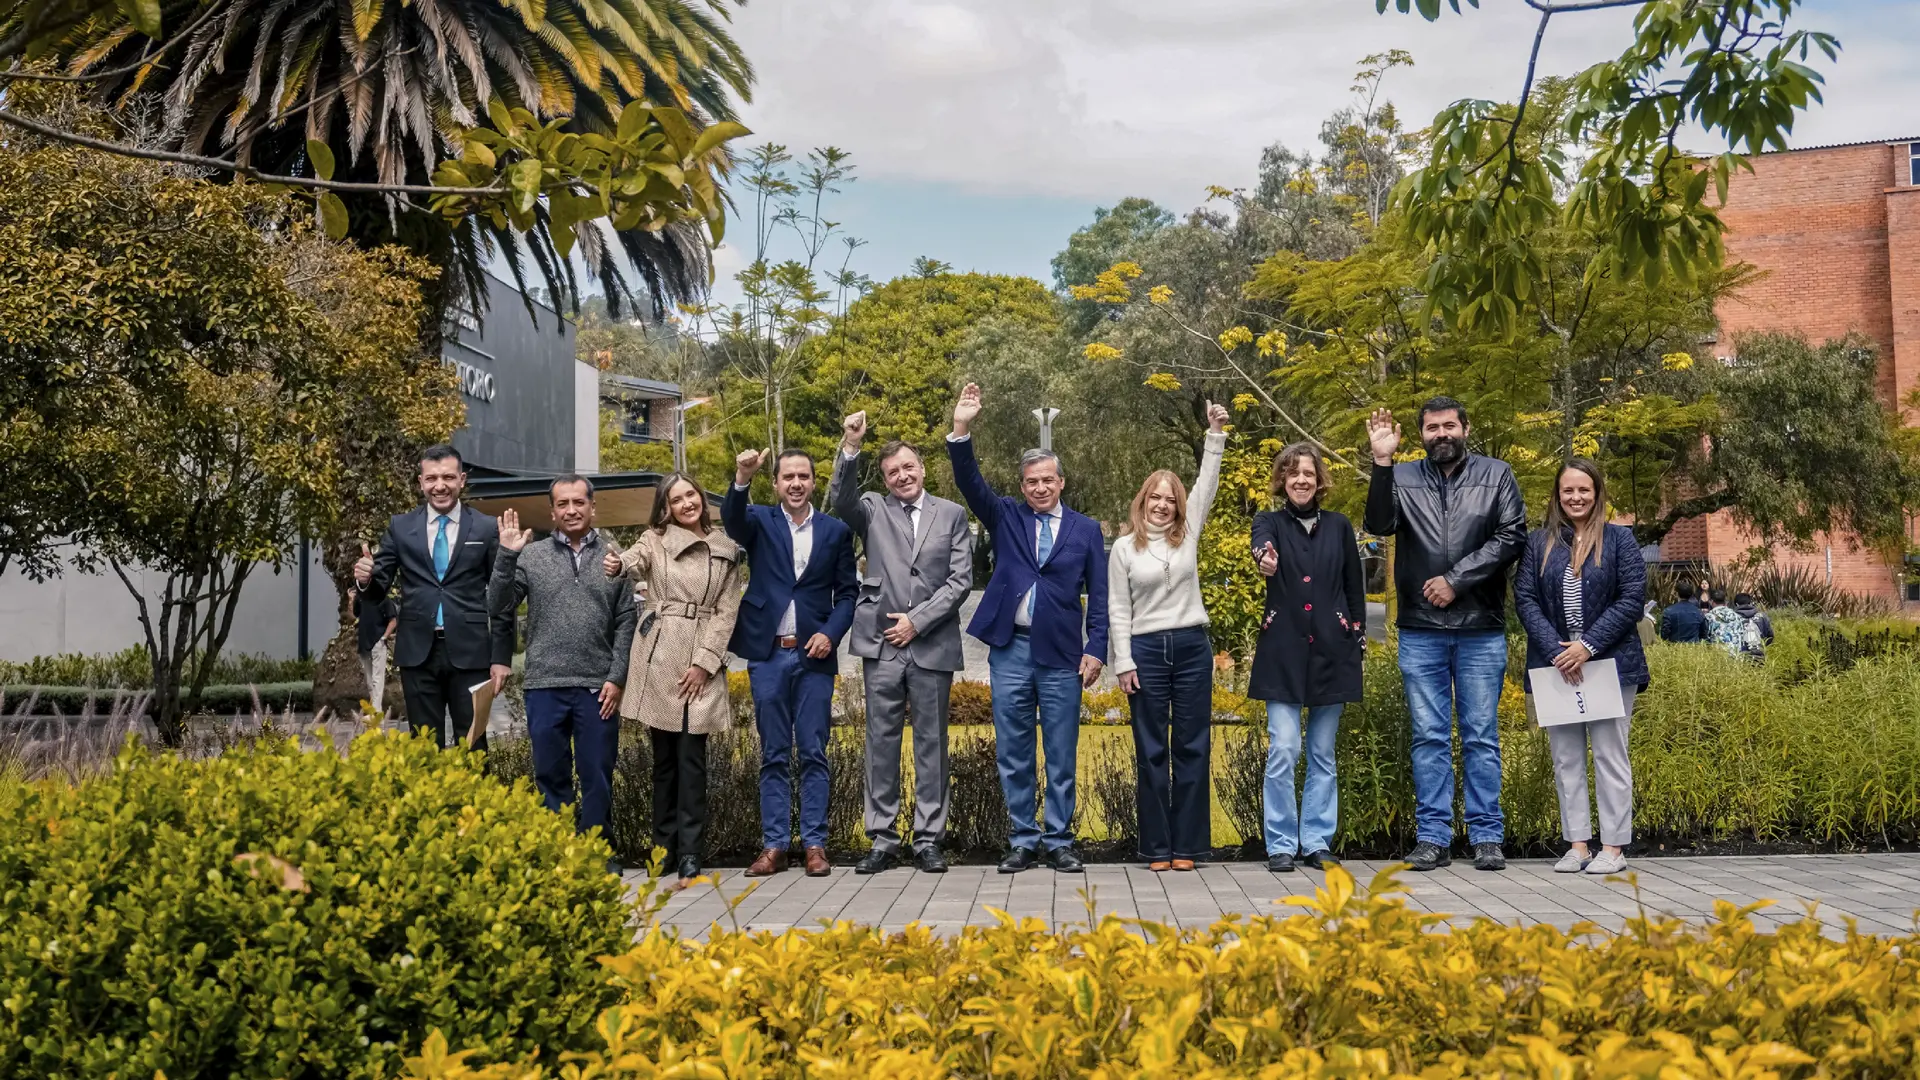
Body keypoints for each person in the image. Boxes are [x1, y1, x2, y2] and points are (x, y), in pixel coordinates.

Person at [947, 382, 1109, 874]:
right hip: (1011, 652)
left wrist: (1096, 647)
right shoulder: (1005, 516)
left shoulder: (1086, 530)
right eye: (1031, 482)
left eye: (1047, 480)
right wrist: (962, 427)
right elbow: (969, 480)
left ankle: (1059, 840)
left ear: (1061, 482)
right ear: (1022, 487)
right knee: (1014, 752)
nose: (1039, 487)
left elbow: (1099, 596)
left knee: (1060, 754)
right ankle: (1022, 838)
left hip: (1062, 654)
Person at [1364, 399, 1527, 872]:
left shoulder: (1497, 474)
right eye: (1432, 427)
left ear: (1465, 427)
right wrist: (1381, 463)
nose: (1441, 433)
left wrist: (1457, 579)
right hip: (1420, 630)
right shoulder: (1403, 476)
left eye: (1449, 425)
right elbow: (1378, 525)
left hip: (1480, 627)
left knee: (1481, 735)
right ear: (1421, 434)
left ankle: (1486, 836)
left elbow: (1512, 535)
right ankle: (1433, 836)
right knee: (1429, 737)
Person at [830, 411, 973, 875]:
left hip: (929, 644)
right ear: (885, 478)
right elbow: (839, 497)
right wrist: (851, 447)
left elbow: (959, 582)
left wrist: (917, 621)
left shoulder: (951, 514)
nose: (901, 476)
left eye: (908, 468)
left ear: (923, 469)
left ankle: (929, 838)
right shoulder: (871, 507)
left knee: (932, 744)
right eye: (892, 472)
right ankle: (883, 839)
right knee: (880, 743)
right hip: (882, 646)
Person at [723, 447, 858, 879]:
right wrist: (742, 476)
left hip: (814, 656)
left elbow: (848, 594)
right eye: (788, 477)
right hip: (767, 655)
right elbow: (732, 519)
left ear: (813, 482)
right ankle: (775, 845)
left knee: (815, 752)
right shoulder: (760, 521)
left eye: (803, 476)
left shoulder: (836, 531)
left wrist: (830, 633)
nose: (796, 483)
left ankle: (815, 844)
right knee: (774, 753)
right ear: (776, 483)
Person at [604, 473, 743, 888]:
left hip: (701, 655)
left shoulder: (726, 549)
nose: (686, 503)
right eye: (677, 498)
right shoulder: (655, 538)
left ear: (702, 498)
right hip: (659, 651)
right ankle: (660, 852)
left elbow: (726, 612)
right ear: (666, 507)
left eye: (691, 495)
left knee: (690, 759)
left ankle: (689, 854)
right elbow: (633, 559)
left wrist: (705, 663)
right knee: (662, 761)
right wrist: (618, 563)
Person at [1512, 459, 1649, 877]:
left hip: (1608, 663)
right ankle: (1577, 845)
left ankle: (1613, 848)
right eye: (1567, 490)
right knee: (1566, 758)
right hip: (1557, 665)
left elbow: (1632, 599)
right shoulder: (1539, 543)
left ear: (1597, 493)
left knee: (1610, 755)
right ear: (1557, 495)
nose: (1575, 497)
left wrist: (1587, 646)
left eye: (1584, 490)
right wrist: (1558, 651)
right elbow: (1525, 600)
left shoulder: (1620, 540)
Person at [1109, 402, 1229, 872]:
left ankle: (1189, 849)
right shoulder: (1123, 548)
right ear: (1142, 500)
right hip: (1146, 652)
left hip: (1191, 647)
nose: (1163, 504)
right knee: (1152, 748)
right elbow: (1119, 608)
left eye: (1170, 498)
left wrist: (1214, 434)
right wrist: (1123, 661)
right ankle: (1157, 847)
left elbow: (1207, 484)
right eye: (1155, 497)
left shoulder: (1189, 533)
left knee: (1193, 745)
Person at [489, 476, 637, 854]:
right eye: (563, 504)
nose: (571, 510)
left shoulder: (613, 556)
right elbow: (498, 606)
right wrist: (506, 555)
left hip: (597, 687)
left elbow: (626, 620)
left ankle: (597, 853)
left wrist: (617, 676)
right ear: (552, 511)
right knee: (550, 776)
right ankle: (558, 854)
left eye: (578, 502)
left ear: (592, 507)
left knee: (597, 775)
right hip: (544, 685)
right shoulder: (531, 556)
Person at [1250, 442, 1366, 874]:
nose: (1301, 480)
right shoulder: (1269, 522)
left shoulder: (1339, 526)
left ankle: (1316, 841)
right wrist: (1265, 559)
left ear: (1320, 481)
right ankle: (1280, 842)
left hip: (1334, 651)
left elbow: (1354, 587)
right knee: (1284, 747)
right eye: (1293, 473)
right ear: (1283, 480)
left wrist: (1355, 635)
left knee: (1322, 752)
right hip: (1281, 651)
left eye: (1309, 473)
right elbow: (1260, 548)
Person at [354, 444, 514, 750]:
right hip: (417, 652)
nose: (439, 486)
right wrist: (365, 580)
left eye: (448, 477)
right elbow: (378, 588)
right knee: (424, 747)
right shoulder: (400, 528)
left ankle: (477, 799)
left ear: (462, 480)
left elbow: (502, 596)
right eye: (431, 479)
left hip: (471, 653)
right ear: (420, 482)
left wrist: (501, 658)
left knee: (473, 744)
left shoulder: (485, 527)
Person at [355, 590, 398, 715]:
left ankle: (376, 712)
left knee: (377, 679)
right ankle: (373, 711)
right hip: (364, 644)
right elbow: (355, 615)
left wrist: (383, 638)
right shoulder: (360, 598)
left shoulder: (383, 599)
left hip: (377, 644)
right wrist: (351, 599)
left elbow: (393, 621)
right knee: (369, 681)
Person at [1706, 587, 1770, 660]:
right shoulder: (1736, 616)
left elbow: (1705, 638)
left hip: (1718, 657)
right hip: (1737, 656)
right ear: (1726, 602)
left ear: (1711, 601)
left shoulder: (1708, 617)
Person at [1658, 579, 1707, 643]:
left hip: (1674, 648)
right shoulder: (1699, 612)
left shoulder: (1669, 611)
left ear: (1677, 594)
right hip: (1695, 648)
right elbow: (1704, 633)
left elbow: (1664, 634)